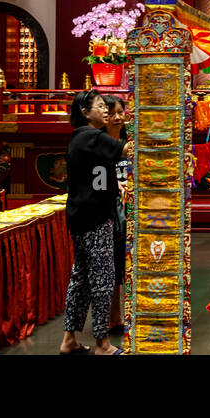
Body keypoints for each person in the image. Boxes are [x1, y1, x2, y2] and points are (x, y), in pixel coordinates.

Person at [60, 91, 132, 355]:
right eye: (100, 107)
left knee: (80, 279)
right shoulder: (92, 135)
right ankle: (102, 344)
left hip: (80, 216)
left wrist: (116, 185)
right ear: (84, 111)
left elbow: (97, 176)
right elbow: (127, 148)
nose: (106, 111)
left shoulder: (84, 137)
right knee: (102, 279)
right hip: (94, 219)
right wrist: (157, 125)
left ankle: (69, 340)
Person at [103, 95, 129, 334]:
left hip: (131, 211)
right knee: (111, 265)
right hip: (108, 213)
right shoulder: (98, 144)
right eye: (113, 113)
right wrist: (114, 186)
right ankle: (113, 315)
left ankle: (123, 313)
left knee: (124, 264)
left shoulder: (128, 139)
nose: (118, 117)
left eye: (121, 112)